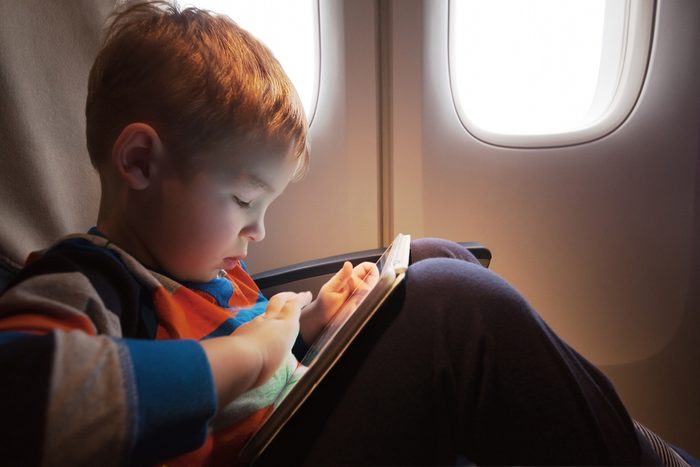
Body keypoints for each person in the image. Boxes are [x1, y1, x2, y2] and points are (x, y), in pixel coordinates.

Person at [0, 1, 693, 466]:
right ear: (140, 162)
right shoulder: (86, 281)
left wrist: (310, 322)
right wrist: (249, 352)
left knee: (431, 256)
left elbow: (227, 340)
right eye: (244, 199)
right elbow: (26, 400)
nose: (259, 228)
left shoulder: (198, 267)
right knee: (455, 307)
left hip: (275, 424)